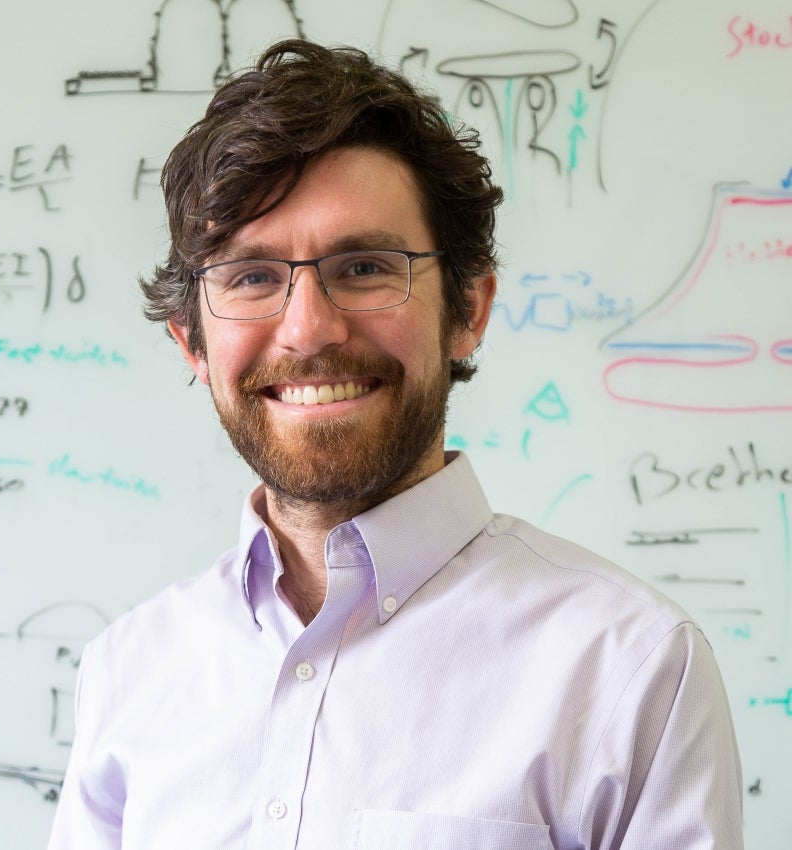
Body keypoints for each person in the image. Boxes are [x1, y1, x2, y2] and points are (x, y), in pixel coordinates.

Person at [47, 39, 743, 849]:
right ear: (191, 344)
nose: (308, 329)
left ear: (468, 310)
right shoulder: (128, 670)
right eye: (250, 277)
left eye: (366, 266)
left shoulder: (630, 671)